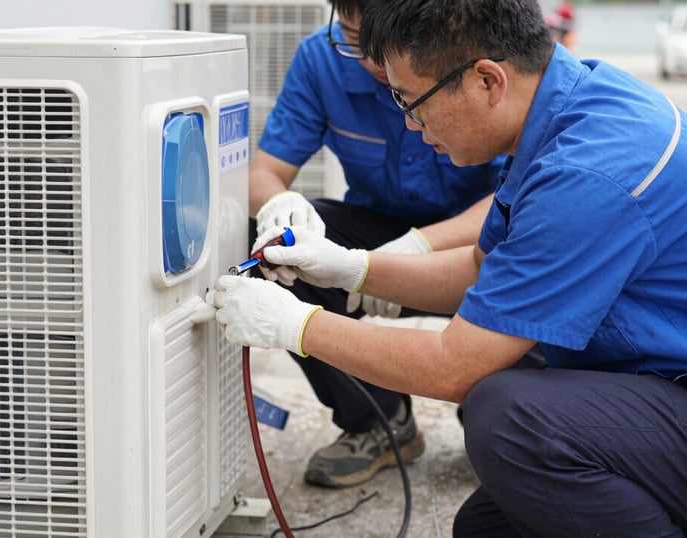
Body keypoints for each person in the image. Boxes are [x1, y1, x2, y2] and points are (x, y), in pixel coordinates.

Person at [201, 0, 687, 534]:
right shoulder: (568, 104)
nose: (411, 124)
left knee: (509, 419)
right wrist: (352, 267)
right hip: (645, 374)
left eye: (413, 102)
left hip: (671, 389)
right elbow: (485, 268)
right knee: (482, 527)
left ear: (487, 81)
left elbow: (456, 366)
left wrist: (295, 326)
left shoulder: (587, 173)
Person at [247, 0, 505, 488]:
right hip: (374, 224)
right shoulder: (319, 60)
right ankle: (379, 423)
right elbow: (264, 171)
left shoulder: (471, 55)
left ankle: (493, 406)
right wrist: (280, 204)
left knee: (501, 419)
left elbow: (519, 201)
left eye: (386, 41)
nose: (370, 60)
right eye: (353, 37)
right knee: (274, 243)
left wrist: (421, 246)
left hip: (477, 239)